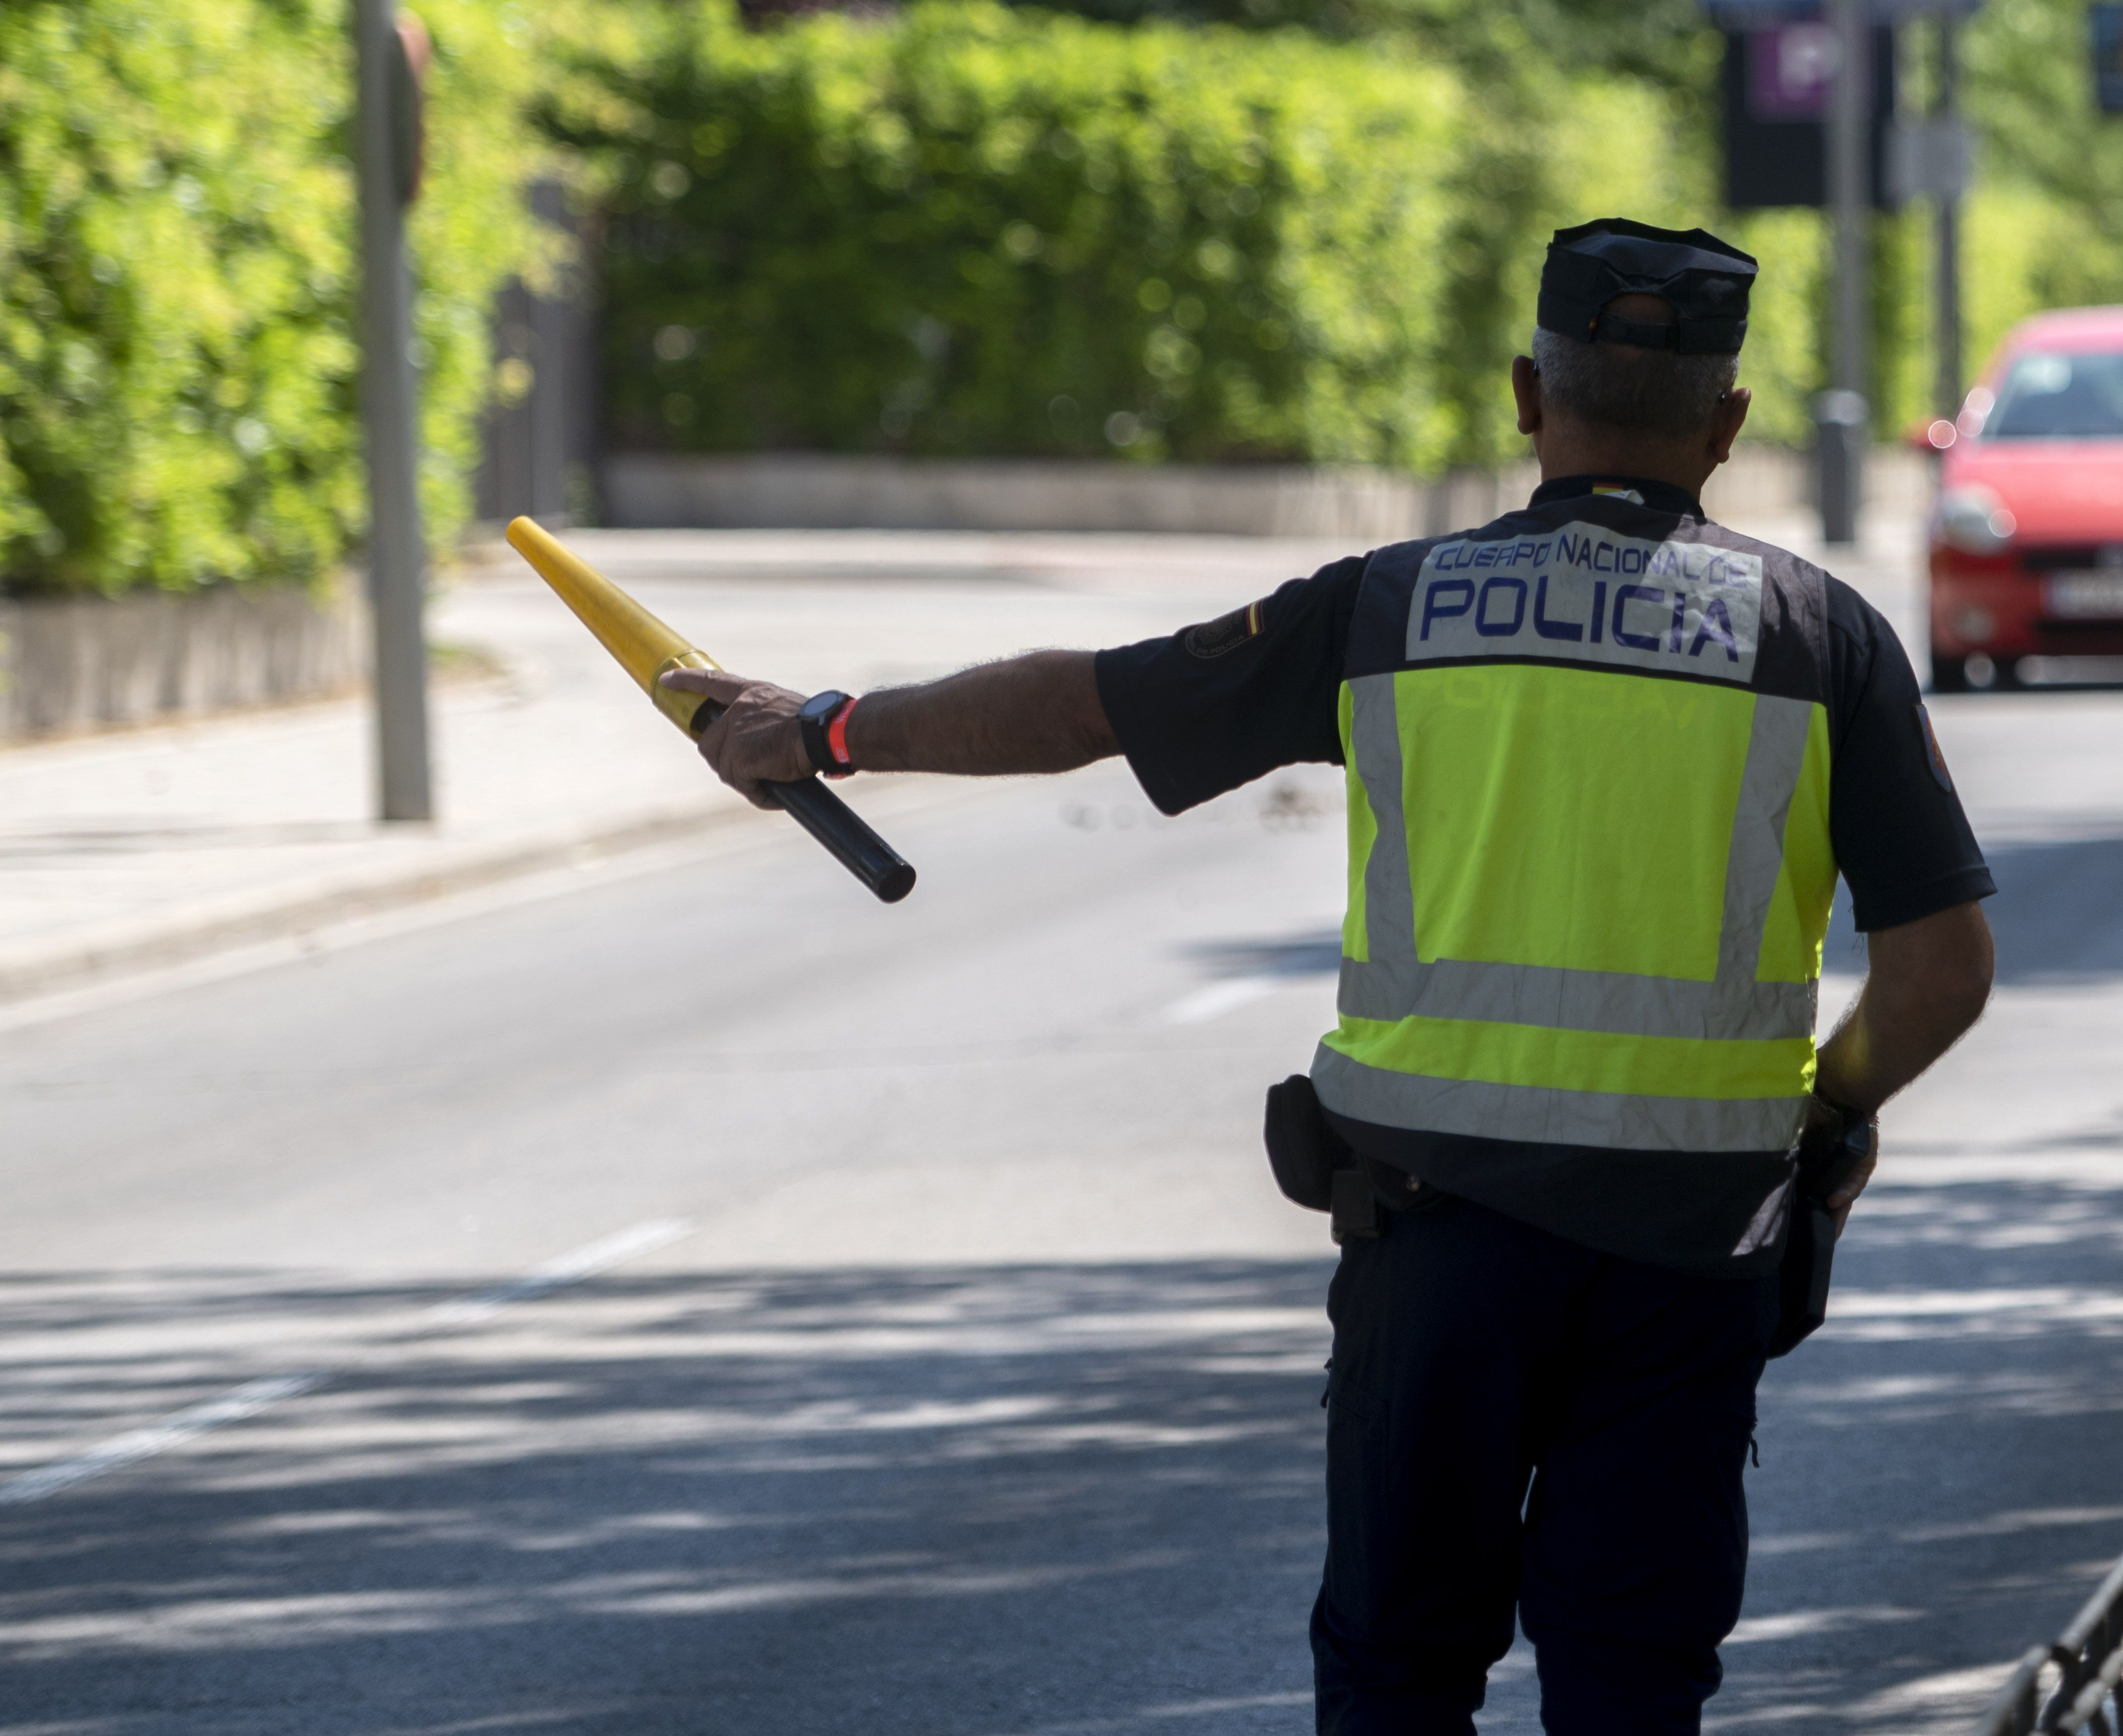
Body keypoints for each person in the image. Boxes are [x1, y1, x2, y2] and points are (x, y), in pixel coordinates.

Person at [664, 218, 1997, 1734]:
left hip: (1437, 1248)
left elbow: (1086, 705)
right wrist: (1827, 1111)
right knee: (1632, 1680)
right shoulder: (1819, 639)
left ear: (1523, 395)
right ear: (1729, 422)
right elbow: (1941, 971)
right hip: (1689, 1253)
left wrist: (828, 729)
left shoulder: (1388, 606)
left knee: (1397, 1671)